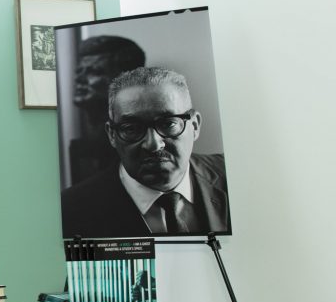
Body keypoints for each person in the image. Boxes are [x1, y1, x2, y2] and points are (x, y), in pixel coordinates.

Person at [61, 66, 230, 238]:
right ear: (112, 135)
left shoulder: (233, 176)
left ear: (194, 125)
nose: (153, 145)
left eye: (168, 124)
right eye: (132, 128)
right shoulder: (69, 211)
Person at [68, 35, 146, 184]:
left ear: (125, 81)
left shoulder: (135, 146)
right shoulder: (86, 142)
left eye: (94, 71)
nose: (79, 79)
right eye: (79, 71)